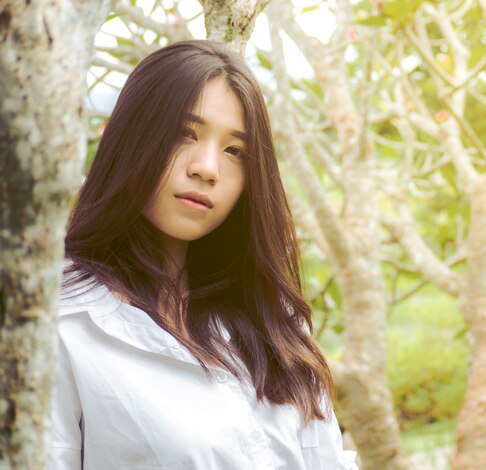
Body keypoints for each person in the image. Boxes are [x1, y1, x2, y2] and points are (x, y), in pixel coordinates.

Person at [48, 40, 358, 470]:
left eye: (235, 150)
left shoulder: (271, 319)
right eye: (184, 133)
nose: (207, 168)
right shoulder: (60, 324)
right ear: (132, 137)